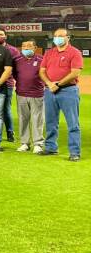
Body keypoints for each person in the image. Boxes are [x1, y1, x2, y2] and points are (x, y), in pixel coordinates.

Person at [38, 28, 83, 161]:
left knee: (73, 123)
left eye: (61, 36)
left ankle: (74, 152)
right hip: (50, 91)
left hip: (68, 91)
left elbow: (75, 73)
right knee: (51, 121)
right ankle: (51, 148)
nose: (57, 38)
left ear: (68, 38)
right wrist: (50, 84)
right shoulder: (49, 53)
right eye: (56, 36)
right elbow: (42, 71)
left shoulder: (75, 53)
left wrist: (58, 84)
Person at [12, 39, 45, 154]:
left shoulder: (42, 59)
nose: (26, 48)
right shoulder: (16, 60)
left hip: (37, 94)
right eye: (23, 46)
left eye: (29, 46)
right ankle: (25, 143)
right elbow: (15, 75)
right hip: (21, 94)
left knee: (37, 120)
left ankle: (38, 144)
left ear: (35, 48)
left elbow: (46, 74)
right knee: (23, 119)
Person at [0, 28, 20, 142]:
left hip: (7, 84)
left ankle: (10, 133)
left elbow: (17, 68)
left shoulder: (13, 50)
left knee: (5, 109)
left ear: (5, 36)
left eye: (1, 34)